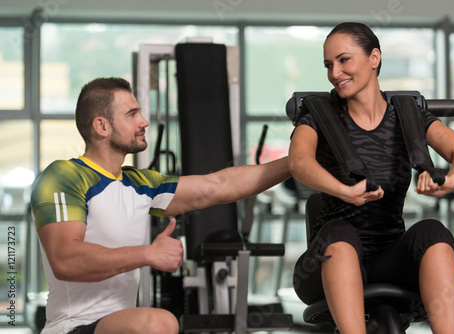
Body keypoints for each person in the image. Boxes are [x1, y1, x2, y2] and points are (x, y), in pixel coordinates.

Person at [31, 77, 291, 334]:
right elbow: (65, 260)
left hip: (119, 324)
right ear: (101, 126)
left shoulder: (139, 182)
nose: (144, 121)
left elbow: (219, 185)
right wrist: (147, 254)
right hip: (71, 327)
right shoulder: (64, 176)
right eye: (132, 114)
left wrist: (296, 163)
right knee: (160, 323)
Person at [289, 22, 454, 334]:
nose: (335, 73)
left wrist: (449, 180)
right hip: (327, 261)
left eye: (344, 59)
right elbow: (299, 162)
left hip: (388, 260)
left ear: (374, 58)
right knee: (339, 232)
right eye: (328, 64)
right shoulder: (319, 117)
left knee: (434, 233)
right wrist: (343, 190)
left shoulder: (407, 116)